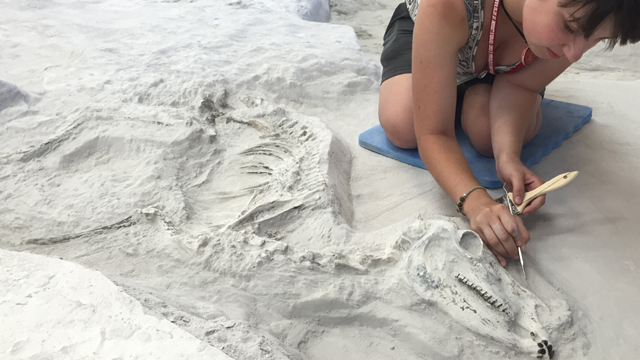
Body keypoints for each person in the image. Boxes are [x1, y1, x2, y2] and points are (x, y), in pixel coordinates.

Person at [378, 0, 640, 266]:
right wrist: (476, 202)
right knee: (402, 124)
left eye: (598, 40)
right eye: (569, 26)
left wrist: (508, 156)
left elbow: (520, 86)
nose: (575, 54)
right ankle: (459, 89)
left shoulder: (573, 34)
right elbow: (433, 133)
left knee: (486, 135)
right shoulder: (445, 6)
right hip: (432, 32)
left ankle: (476, 91)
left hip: (509, 65)